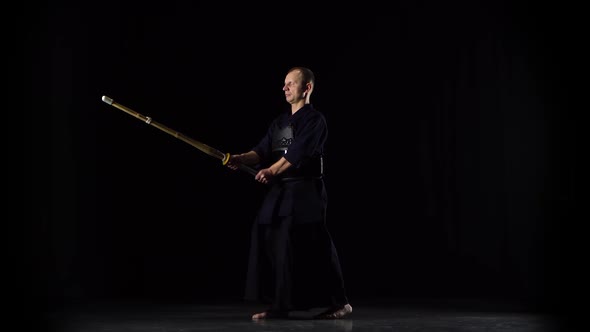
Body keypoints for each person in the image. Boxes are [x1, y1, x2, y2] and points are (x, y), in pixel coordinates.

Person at [226, 66, 353, 320]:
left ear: (307, 88)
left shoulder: (315, 121)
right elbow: (261, 151)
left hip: (306, 191)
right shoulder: (279, 123)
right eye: (284, 83)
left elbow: (297, 153)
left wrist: (271, 171)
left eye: (291, 84)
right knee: (274, 240)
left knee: (315, 245)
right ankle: (281, 306)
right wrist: (240, 158)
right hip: (281, 190)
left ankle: (340, 303)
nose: (284, 88)